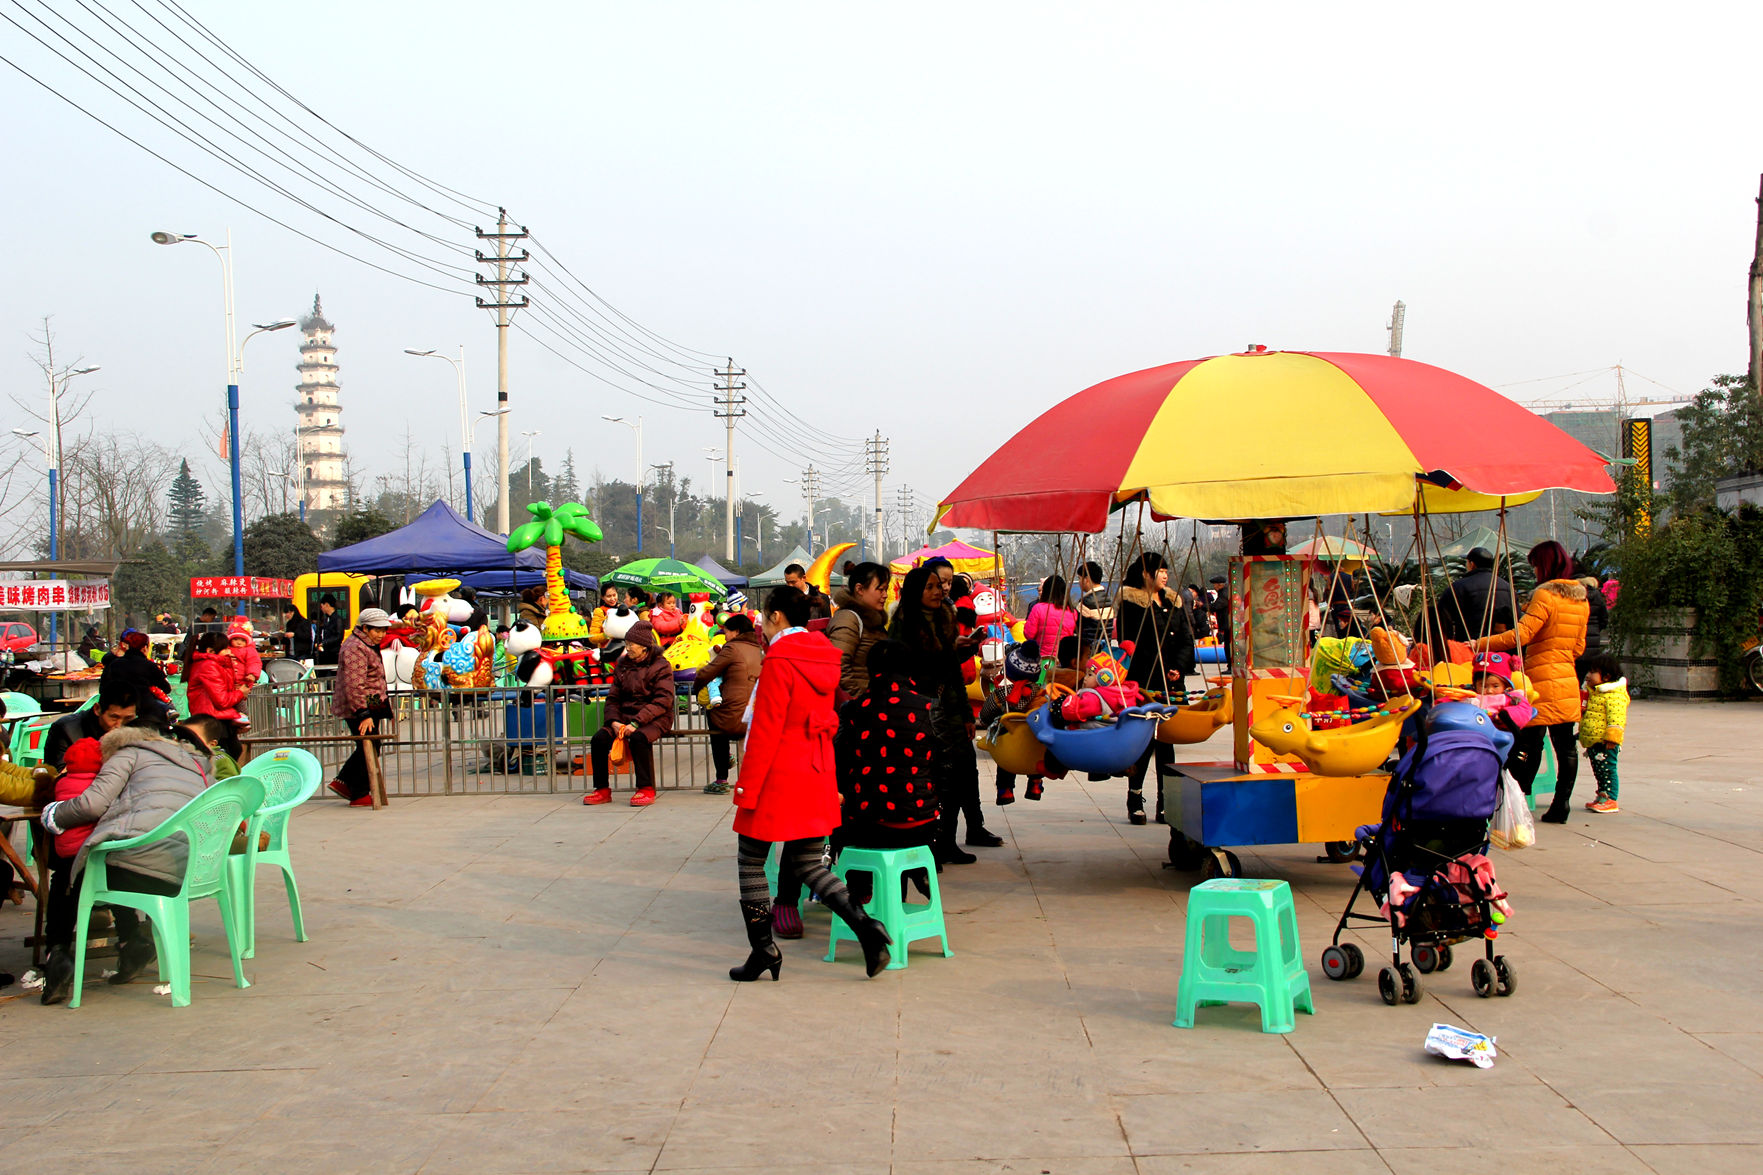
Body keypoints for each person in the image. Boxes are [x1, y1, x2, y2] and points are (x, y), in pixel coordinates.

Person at [727, 586, 891, 982]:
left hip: (777, 775)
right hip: (815, 771)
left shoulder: (780, 660)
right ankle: (866, 928)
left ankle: (763, 950)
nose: (762, 626)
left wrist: (747, 786)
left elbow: (765, 729)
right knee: (807, 862)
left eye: (764, 618)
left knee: (750, 860)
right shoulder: (824, 657)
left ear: (776, 616)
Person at [36, 720, 216, 1004]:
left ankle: (57, 953)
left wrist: (53, 815)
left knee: (72, 870)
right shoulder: (196, 764)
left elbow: (92, 804)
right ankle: (130, 941)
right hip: (187, 870)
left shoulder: (128, 753)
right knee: (116, 858)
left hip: (139, 866)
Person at [887, 563, 998, 863]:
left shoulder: (946, 617)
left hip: (949, 708)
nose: (939, 591)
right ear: (916, 591)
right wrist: (948, 650)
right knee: (935, 779)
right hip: (919, 711)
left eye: (941, 585)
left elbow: (951, 672)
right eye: (932, 587)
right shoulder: (903, 624)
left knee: (960, 775)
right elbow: (908, 668)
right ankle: (931, 845)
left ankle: (948, 840)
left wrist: (966, 715)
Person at [1474, 540, 1589, 823]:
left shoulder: (1545, 595)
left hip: (1541, 678)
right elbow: (1579, 647)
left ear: (1544, 565)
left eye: (1535, 565)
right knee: (1566, 746)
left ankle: (1518, 802)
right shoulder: (1580, 600)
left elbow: (1522, 635)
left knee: (1529, 742)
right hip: (1567, 678)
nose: (1534, 570)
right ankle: (1561, 804)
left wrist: (1480, 643)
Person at [1115, 552, 1195, 825]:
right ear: (1145, 574)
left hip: (1171, 682)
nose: (1164, 575)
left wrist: (1178, 667)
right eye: (1159, 571)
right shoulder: (1131, 604)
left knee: (1166, 744)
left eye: (1166, 571)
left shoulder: (1173, 601)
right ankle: (1135, 797)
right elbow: (1130, 643)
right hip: (1145, 680)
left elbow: (1186, 639)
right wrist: (1156, 666)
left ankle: (1165, 801)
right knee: (1144, 741)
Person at [583, 621, 674, 807]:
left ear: (644, 646)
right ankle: (601, 789)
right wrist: (613, 721)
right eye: (627, 644)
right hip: (624, 717)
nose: (628, 648)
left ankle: (645, 788)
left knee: (639, 738)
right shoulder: (623, 665)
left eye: (631, 644)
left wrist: (637, 722)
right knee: (599, 739)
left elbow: (663, 700)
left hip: (655, 718)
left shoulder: (661, 666)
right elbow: (613, 698)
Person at [328, 608, 395, 806]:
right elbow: (354, 684)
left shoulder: (366, 643)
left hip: (372, 699)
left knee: (372, 744)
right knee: (369, 745)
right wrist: (363, 713)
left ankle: (346, 784)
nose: (381, 635)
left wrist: (379, 709)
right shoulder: (355, 648)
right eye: (377, 630)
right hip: (359, 703)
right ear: (365, 628)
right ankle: (356, 791)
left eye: (383, 630)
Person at [693, 614, 765, 797]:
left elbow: (708, 672)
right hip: (756, 714)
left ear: (736, 632)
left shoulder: (732, 648)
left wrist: (696, 687)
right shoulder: (759, 648)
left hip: (736, 716)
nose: (724, 636)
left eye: (726, 632)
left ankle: (721, 778)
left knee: (713, 716)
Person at [826, 561, 889, 701]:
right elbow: (838, 666)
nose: (885, 595)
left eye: (886, 589)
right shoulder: (848, 619)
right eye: (880, 589)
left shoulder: (874, 621)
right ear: (859, 589)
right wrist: (860, 700)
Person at [1578, 653, 1629, 814]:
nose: (1588, 675)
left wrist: (1612, 738)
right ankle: (1602, 796)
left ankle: (1610, 799)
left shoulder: (1614, 695)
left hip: (1605, 742)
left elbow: (1617, 718)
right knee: (1599, 771)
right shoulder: (1595, 693)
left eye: (1593, 672)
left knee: (1607, 770)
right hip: (1595, 741)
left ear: (1606, 677)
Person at [1440, 548, 1515, 644]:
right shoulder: (1507, 587)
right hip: (1499, 646)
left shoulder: (1458, 587)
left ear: (1472, 564)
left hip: (1468, 645)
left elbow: (1441, 619)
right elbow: (1516, 619)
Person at [99, 629, 173, 727]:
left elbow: (102, 688)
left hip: (116, 707)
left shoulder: (114, 664)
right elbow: (166, 688)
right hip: (145, 709)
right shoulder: (149, 665)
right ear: (144, 648)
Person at [185, 632, 250, 731]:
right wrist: (241, 693)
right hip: (212, 720)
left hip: (215, 718)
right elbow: (222, 701)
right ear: (210, 651)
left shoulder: (215, 664)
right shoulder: (208, 666)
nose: (229, 652)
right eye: (225, 649)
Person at [1023, 575, 1077, 660]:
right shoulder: (1072, 611)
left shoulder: (1038, 608)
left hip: (1042, 657)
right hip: (1064, 658)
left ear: (1046, 591)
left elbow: (1029, 634)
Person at [1075, 561, 1112, 657]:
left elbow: (1076, 627)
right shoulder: (1108, 599)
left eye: (1079, 578)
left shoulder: (1086, 603)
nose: (1079, 582)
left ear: (1086, 579)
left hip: (1089, 653)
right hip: (1106, 652)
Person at [313, 596, 344, 665]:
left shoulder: (338, 619)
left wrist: (324, 643)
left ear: (327, 605)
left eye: (322, 606)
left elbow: (339, 636)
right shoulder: (326, 618)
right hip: (325, 652)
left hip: (334, 653)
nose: (321, 608)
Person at [1208, 573, 1231, 661]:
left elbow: (1217, 606)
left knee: (1228, 645)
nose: (1214, 587)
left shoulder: (1224, 594)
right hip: (1227, 623)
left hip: (1227, 623)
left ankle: (1230, 664)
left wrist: (1204, 606)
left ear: (1220, 585)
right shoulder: (1224, 592)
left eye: (1215, 585)